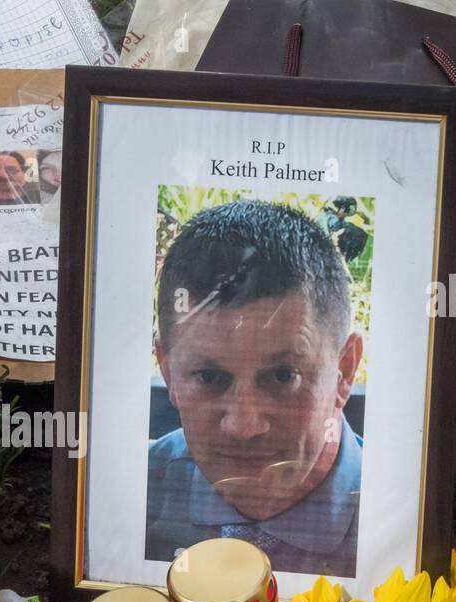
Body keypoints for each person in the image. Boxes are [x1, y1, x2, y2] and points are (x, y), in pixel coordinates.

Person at [146, 199, 364, 577]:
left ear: (344, 371)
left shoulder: (405, 515)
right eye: (209, 377)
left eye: (283, 375)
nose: (244, 427)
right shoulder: (125, 496)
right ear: (168, 372)